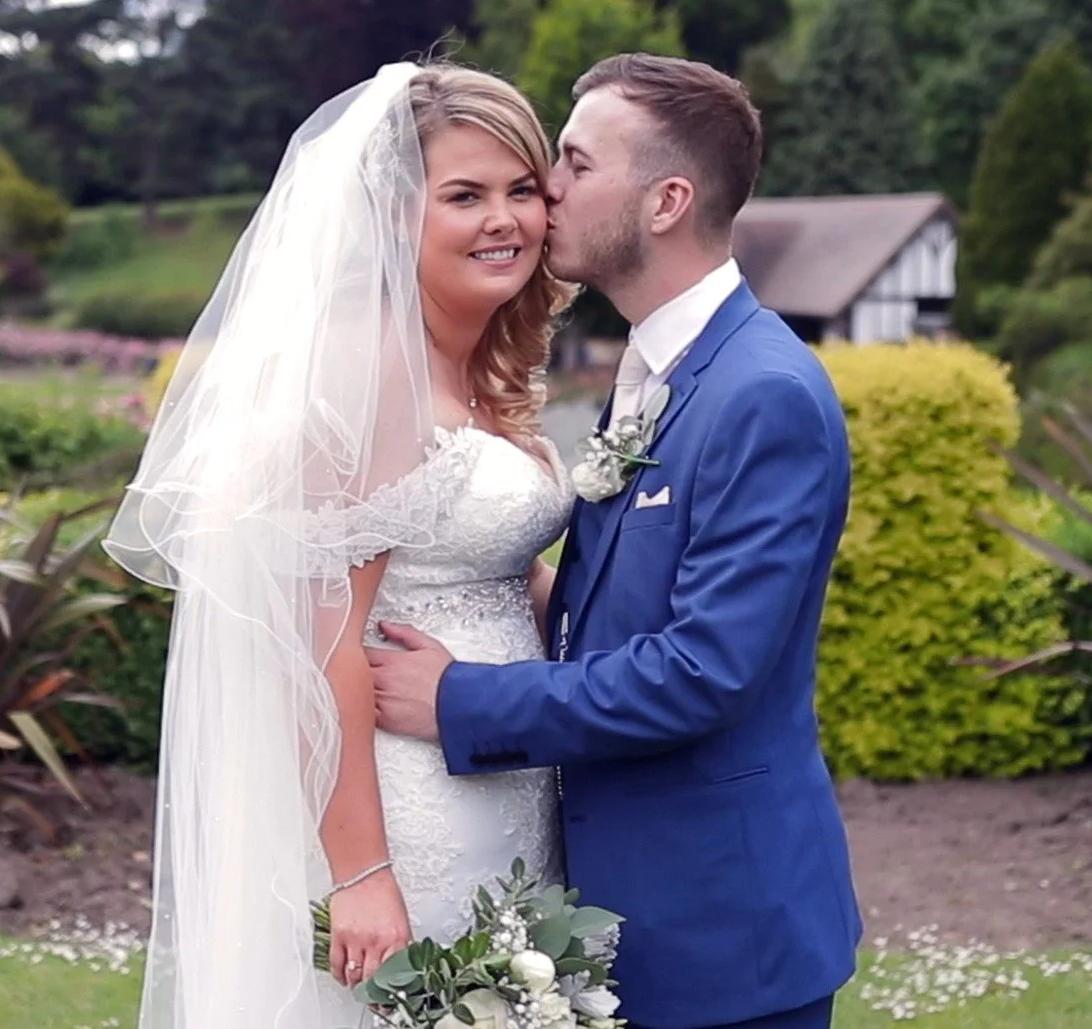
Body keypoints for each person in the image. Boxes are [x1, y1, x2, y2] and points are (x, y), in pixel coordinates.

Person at [369, 54, 864, 1029]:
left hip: (726, 933)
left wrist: (464, 697)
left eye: (575, 162)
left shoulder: (761, 393)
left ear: (666, 200)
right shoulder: (659, 370)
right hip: (619, 909)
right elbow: (632, 598)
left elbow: (704, 670)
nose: (548, 188)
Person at [102, 62, 578, 1026]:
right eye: (465, 196)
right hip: (411, 802)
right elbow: (319, 640)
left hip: (509, 774)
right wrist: (362, 870)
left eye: (521, 189)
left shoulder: (481, 368)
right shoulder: (364, 380)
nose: (505, 219)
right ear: (391, 217)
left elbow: (497, 565)